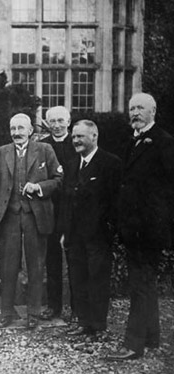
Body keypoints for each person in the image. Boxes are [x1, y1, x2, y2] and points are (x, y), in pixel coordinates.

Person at [106, 93, 174, 360]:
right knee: (144, 282)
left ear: (153, 111)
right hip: (133, 227)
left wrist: (160, 222)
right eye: (131, 108)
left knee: (140, 284)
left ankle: (132, 345)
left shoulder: (164, 142)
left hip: (149, 228)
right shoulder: (132, 141)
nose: (134, 113)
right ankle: (151, 336)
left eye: (140, 108)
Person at [0, 113, 62, 329]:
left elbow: (59, 179)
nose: (16, 133)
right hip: (10, 216)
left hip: (35, 215)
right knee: (8, 265)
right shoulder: (1, 152)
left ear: (31, 130)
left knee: (36, 265)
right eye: (13, 129)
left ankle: (34, 312)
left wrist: (39, 188)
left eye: (21, 128)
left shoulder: (45, 150)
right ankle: (6, 312)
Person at [58, 120, 122, 339]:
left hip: (98, 236)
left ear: (94, 136)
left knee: (98, 280)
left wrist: (109, 231)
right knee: (78, 279)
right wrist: (65, 232)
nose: (75, 140)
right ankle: (83, 323)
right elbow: (66, 201)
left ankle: (98, 326)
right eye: (74, 137)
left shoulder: (110, 163)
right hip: (75, 236)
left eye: (80, 136)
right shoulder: (72, 163)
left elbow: (115, 202)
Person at [39, 106, 78, 322]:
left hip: (72, 209)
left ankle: (76, 308)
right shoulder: (42, 145)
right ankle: (54, 306)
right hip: (50, 208)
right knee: (52, 259)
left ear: (69, 121)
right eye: (52, 121)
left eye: (60, 120)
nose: (56, 125)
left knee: (74, 259)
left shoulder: (78, 142)